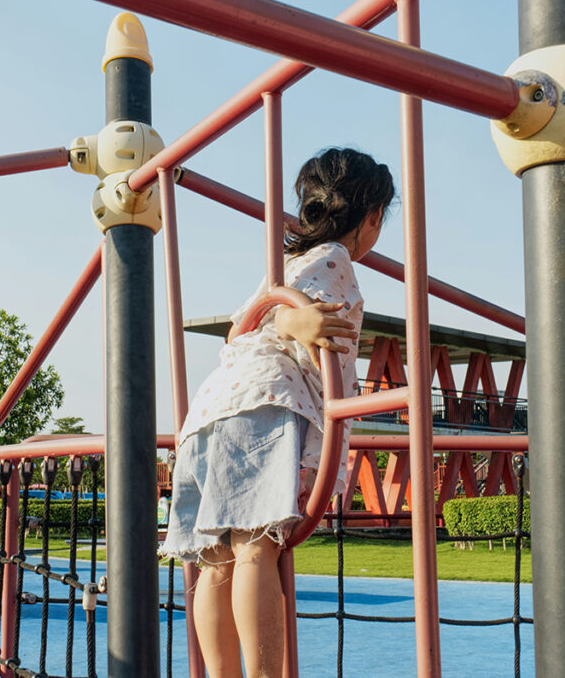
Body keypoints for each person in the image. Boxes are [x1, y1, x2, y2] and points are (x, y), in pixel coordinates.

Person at [161, 147, 394, 677]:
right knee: (255, 551)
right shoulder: (334, 258)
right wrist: (300, 326)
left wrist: (287, 319)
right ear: (374, 215)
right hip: (263, 405)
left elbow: (241, 326)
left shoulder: (280, 267)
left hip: (213, 406)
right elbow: (298, 314)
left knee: (215, 560)